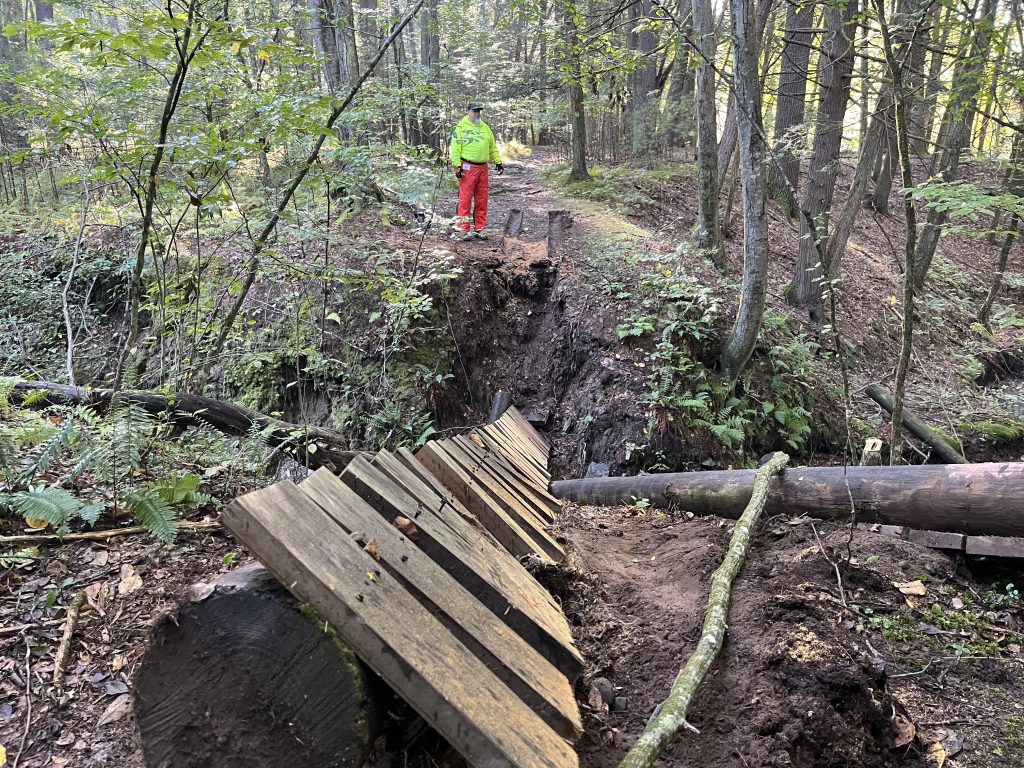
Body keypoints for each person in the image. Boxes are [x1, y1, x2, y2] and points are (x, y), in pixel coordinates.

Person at [449, 101, 503, 240]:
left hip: (483, 167)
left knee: (482, 198)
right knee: (465, 198)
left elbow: (492, 147)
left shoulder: (485, 128)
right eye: (474, 111)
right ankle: (463, 228)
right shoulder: (461, 128)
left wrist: (497, 161)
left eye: (478, 111)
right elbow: (455, 148)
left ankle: (480, 227)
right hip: (467, 166)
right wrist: (457, 165)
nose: (477, 114)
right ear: (468, 111)